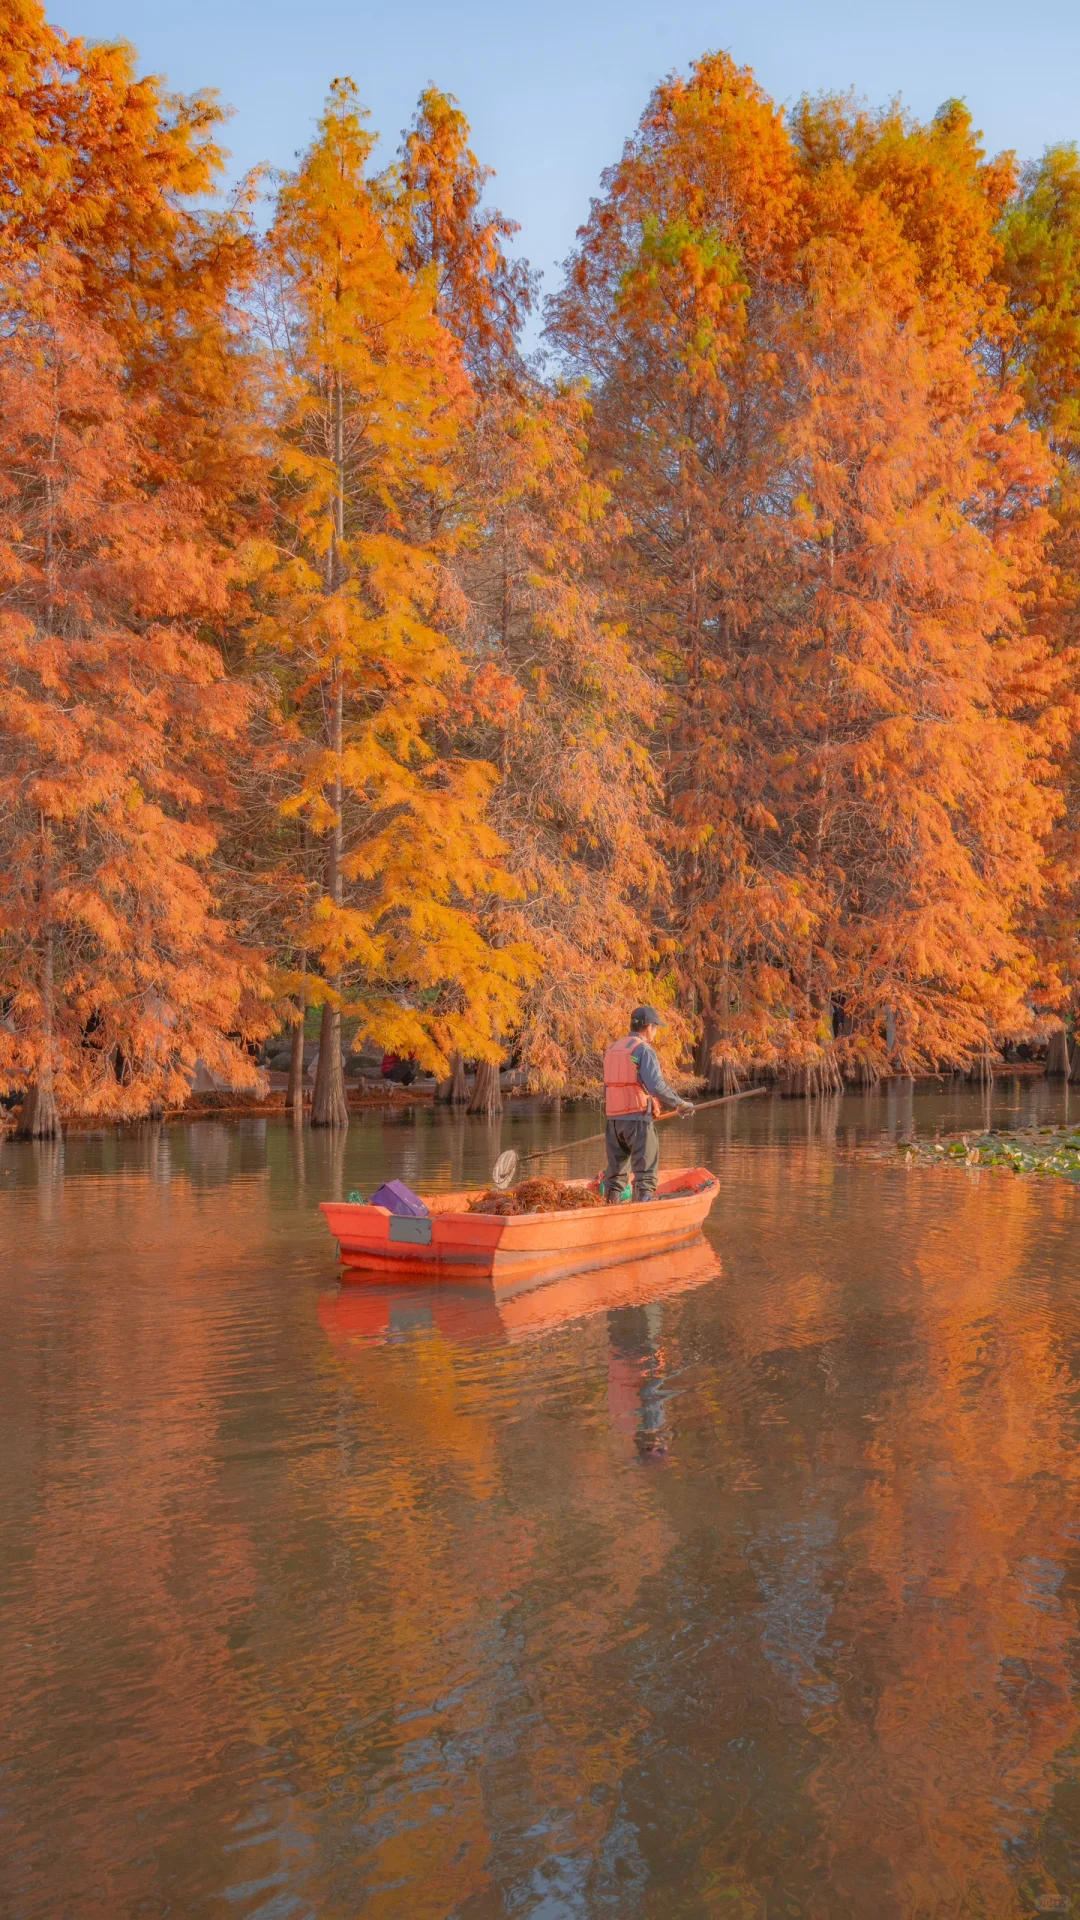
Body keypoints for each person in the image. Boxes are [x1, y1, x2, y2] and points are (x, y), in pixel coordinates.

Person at [602, 1006, 694, 1204]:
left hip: (614, 1122)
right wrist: (680, 1103)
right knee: (645, 1175)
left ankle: (609, 1212)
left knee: (615, 1176)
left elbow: (608, 1087)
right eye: (656, 1027)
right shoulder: (642, 1050)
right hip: (637, 1121)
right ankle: (642, 1213)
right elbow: (656, 1086)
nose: (656, 1031)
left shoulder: (613, 1048)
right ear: (649, 1027)